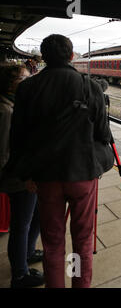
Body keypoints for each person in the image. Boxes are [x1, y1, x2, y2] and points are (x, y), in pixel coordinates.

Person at [6, 34, 114, 288]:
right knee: (82, 240)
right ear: (71, 55)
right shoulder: (90, 87)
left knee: (52, 242)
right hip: (82, 176)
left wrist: (26, 175)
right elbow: (103, 134)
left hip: (45, 177)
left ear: (43, 57)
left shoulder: (27, 88)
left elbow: (18, 135)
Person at [0, 63, 45, 288]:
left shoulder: (15, 103)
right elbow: (4, 154)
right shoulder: (5, 110)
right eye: (23, 77)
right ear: (10, 83)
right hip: (19, 179)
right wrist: (24, 176)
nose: (29, 80)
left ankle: (27, 253)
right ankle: (20, 275)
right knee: (21, 225)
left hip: (27, 175)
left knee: (35, 216)